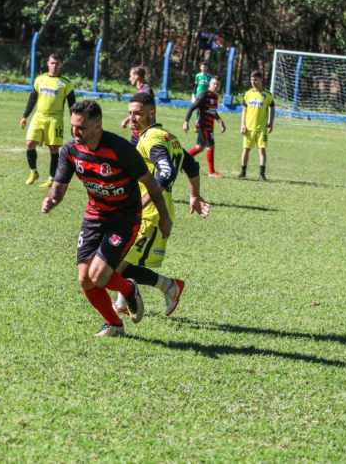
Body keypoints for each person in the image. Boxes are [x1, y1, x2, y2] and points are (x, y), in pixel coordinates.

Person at [42, 100, 173, 337]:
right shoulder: (71, 149)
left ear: (97, 125)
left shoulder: (120, 149)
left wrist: (164, 217)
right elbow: (59, 187)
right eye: (73, 126)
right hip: (94, 216)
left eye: (81, 128)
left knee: (99, 276)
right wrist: (51, 198)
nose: (75, 132)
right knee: (85, 279)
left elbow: (151, 185)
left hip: (124, 218)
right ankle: (114, 324)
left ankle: (128, 289)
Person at [113, 92, 210, 317]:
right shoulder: (166, 136)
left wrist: (144, 201)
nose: (132, 118)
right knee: (120, 262)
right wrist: (194, 195)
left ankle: (168, 287)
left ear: (152, 112)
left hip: (150, 214)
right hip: (143, 212)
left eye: (138, 113)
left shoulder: (152, 139)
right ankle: (124, 301)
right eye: (130, 113)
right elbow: (191, 166)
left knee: (112, 267)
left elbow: (167, 172)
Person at [20, 54, 76, 187]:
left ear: (61, 64)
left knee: (53, 148)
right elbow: (33, 98)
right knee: (30, 144)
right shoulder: (40, 79)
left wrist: (74, 123)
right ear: (47, 63)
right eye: (52, 63)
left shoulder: (66, 83)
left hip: (54, 118)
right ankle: (33, 172)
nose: (54, 66)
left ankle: (51, 178)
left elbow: (72, 105)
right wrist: (25, 116)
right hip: (38, 116)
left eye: (57, 63)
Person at [183, 75, 226, 178]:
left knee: (199, 148)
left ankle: (181, 162)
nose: (215, 86)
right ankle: (212, 172)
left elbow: (212, 111)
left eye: (217, 84)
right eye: (214, 83)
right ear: (209, 83)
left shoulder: (215, 96)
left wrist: (220, 121)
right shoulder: (204, 95)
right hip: (203, 125)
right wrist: (186, 122)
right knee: (210, 146)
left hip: (209, 125)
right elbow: (192, 108)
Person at [238, 70, 275, 181]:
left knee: (262, 150)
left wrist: (271, 123)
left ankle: (262, 174)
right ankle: (243, 172)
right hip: (249, 128)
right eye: (252, 80)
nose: (253, 82)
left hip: (262, 128)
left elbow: (272, 108)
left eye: (256, 80)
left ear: (261, 80)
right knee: (246, 149)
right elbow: (244, 110)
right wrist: (243, 124)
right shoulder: (248, 94)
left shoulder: (267, 95)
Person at [120, 66, 155, 145]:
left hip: (143, 131)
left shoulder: (145, 91)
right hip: (138, 131)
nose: (129, 79)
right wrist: (128, 119)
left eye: (130, 76)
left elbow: (146, 111)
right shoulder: (142, 89)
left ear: (136, 76)